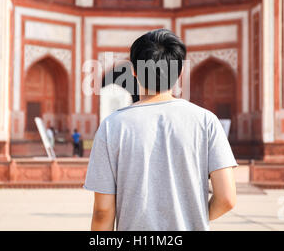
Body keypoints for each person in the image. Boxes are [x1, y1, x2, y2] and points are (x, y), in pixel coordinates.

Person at [84, 29, 238, 231]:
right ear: (180, 72)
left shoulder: (113, 125)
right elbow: (227, 198)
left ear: (134, 71)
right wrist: (192, 218)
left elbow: (102, 211)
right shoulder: (206, 121)